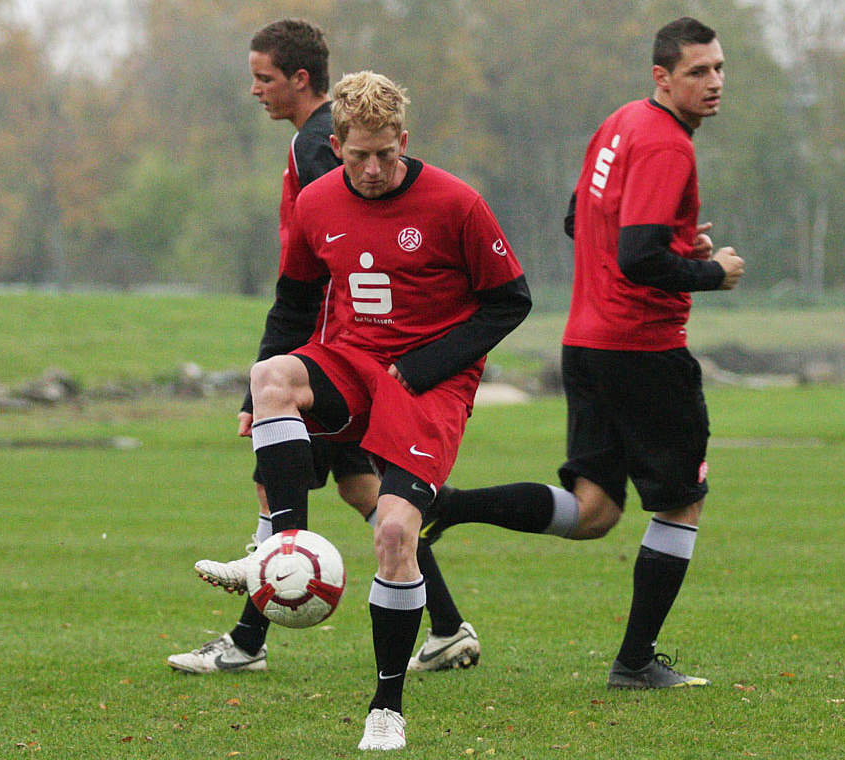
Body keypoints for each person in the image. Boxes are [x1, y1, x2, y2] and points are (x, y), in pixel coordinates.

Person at [417, 16, 745, 690]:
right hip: (643, 349)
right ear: (662, 77)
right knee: (680, 503)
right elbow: (638, 255)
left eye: (718, 68)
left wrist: (674, 246)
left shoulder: (619, 123)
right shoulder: (665, 145)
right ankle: (635, 661)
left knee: (594, 510)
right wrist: (712, 271)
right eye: (698, 72)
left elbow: (580, 219)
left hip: (586, 342)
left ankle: (445, 507)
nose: (714, 83)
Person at [168, 19, 480, 678]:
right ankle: (447, 628)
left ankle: (251, 629)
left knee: (276, 477)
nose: (255, 91)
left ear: (300, 78)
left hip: (339, 359)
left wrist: (290, 374)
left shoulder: (324, 150)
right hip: (337, 353)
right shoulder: (312, 144)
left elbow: (337, 275)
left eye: (264, 78)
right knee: (363, 489)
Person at [238, 70, 531, 750]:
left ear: (404, 139)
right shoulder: (315, 204)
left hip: (430, 385)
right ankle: (289, 550)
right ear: (335, 142)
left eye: (385, 154)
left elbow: (511, 300)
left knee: (396, 536)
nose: (372, 169)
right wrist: (252, 401)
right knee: (269, 377)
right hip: (349, 361)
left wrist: (429, 364)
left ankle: (387, 706)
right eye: (357, 155)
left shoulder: (457, 203)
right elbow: (293, 305)